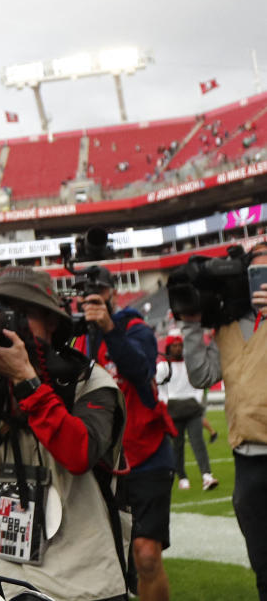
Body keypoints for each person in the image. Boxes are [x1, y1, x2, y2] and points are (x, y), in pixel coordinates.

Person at [0, 267, 129, 601]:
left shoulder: (89, 381)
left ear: (52, 323)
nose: (10, 326)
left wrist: (27, 380)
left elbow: (79, 453)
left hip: (82, 573)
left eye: (21, 314)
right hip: (3, 570)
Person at [74, 267, 175, 601]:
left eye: (99, 292)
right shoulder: (77, 338)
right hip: (103, 460)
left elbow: (140, 369)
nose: (94, 300)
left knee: (146, 555)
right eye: (87, 294)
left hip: (147, 453)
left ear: (112, 293)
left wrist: (109, 329)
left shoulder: (135, 328)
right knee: (106, 560)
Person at [180, 241, 267, 600]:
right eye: (257, 271)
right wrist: (189, 325)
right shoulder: (228, 324)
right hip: (247, 459)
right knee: (264, 568)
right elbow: (202, 375)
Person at [156, 329, 217, 491]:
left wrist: (196, 399)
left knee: (199, 443)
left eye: (179, 345)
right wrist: (165, 403)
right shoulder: (163, 366)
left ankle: (207, 475)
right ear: (168, 347)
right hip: (173, 410)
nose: (177, 348)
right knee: (178, 445)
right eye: (174, 346)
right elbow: (159, 389)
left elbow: (198, 384)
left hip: (192, 409)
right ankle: (182, 477)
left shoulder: (190, 364)